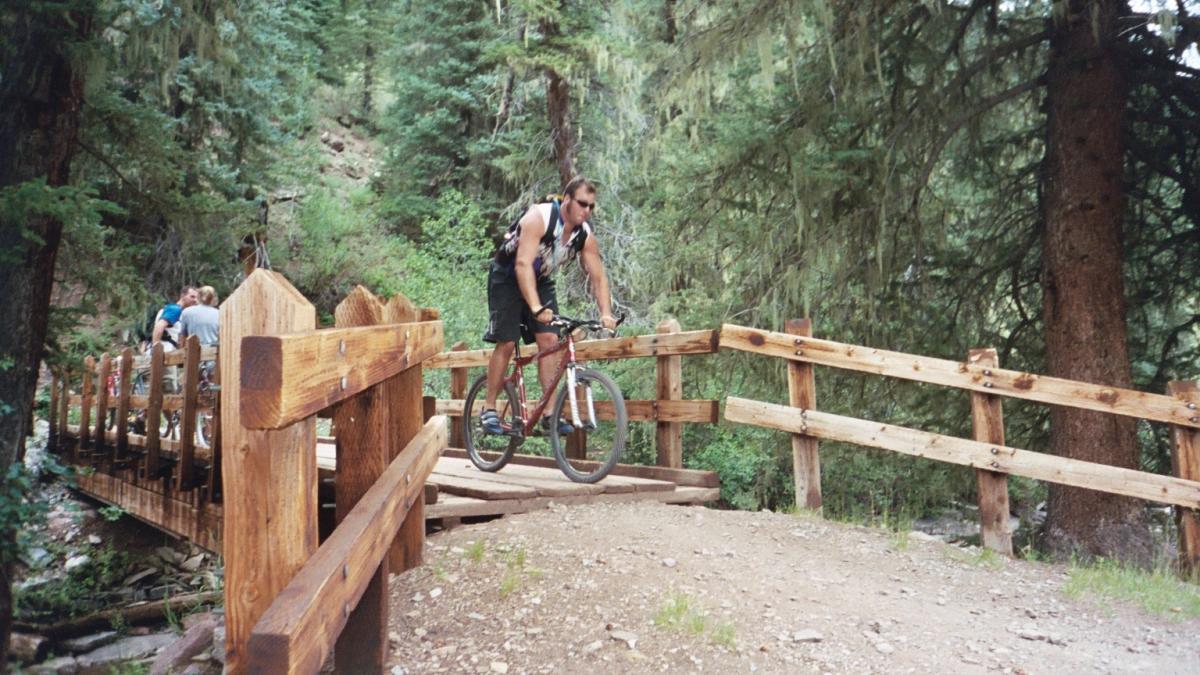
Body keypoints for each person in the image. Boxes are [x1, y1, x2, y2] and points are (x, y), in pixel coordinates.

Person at [480, 176, 617, 435]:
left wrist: (606, 314)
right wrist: (534, 307)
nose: (586, 211)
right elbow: (521, 265)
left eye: (591, 207)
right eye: (582, 204)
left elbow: (598, 276)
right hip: (507, 277)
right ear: (567, 199)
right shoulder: (539, 218)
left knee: (550, 341)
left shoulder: (583, 236)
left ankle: (549, 414)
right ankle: (488, 409)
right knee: (507, 341)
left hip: (540, 279)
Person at [150, 285, 198, 352]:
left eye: (197, 298)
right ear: (183, 296)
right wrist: (155, 348)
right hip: (165, 350)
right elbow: (159, 326)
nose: (195, 300)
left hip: (169, 351)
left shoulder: (179, 311)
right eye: (192, 297)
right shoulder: (175, 310)